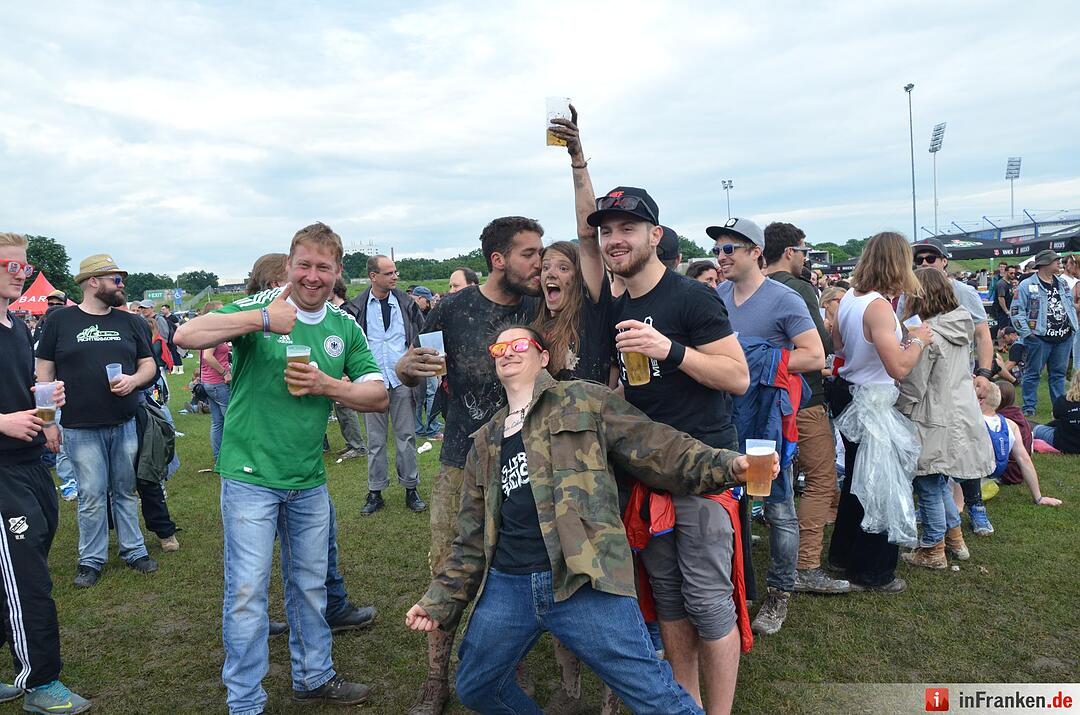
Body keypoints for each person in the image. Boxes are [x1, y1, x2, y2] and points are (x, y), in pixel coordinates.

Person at [406, 324, 777, 715]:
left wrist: (728, 464)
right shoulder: (485, 441)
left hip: (583, 577)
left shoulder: (584, 401)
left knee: (654, 696)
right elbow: (470, 536)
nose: (508, 352)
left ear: (543, 356)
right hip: (509, 583)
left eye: (520, 344)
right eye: (499, 347)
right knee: (476, 685)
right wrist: (440, 600)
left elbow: (661, 448)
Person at [174, 223, 388, 713]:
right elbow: (187, 335)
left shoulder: (343, 325)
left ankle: (313, 676)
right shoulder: (263, 308)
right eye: (304, 265)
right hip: (249, 478)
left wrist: (325, 386)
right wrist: (261, 322)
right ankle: (246, 700)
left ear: (338, 274)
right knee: (248, 592)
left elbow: (377, 394)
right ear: (291, 265)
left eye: (323, 267)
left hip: (308, 480)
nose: (312, 276)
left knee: (310, 587)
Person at [589, 185, 749, 714]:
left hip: (703, 471)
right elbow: (635, 388)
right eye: (606, 230)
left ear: (654, 236)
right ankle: (687, 704)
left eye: (626, 229)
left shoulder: (691, 296)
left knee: (708, 602)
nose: (615, 240)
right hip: (650, 473)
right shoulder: (620, 304)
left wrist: (670, 349)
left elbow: (737, 377)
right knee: (670, 600)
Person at [396, 216, 542, 715]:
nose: (538, 262)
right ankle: (436, 680)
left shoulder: (540, 306)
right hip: (462, 457)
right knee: (447, 565)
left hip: (526, 461)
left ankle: (506, 673)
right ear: (498, 260)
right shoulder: (454, 308)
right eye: (529, 253)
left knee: (514, 569)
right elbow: (418, 369)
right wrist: (407, 369)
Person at [715, 218, 830, 637]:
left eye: (730, 249)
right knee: (731, 504)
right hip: (727, 414)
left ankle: (780, 591)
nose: (722, 257)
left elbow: (815, 356)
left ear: (755, 253)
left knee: (777, 505)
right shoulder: (718, 295)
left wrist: (756, 362)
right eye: (718, 250)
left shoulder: (784, 299)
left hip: (767, 420)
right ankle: (737, 587)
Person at [0, 233, 90, 714]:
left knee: (21, 563)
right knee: (27, 576)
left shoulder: (16, 327)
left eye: (23, 265)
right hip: (1, 471)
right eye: (11, 265)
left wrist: (46, 404)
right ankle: (40, 681)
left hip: (32, 461)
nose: (22, 272)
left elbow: (21, 390)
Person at [36, 253, 159, 588]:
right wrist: (48, 421)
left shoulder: (130, 321)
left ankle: (134, 550)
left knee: (124, 489)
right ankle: (91, 559)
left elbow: (149, 364)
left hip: (124, 421)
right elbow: (44, 371)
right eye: (115, 280)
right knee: (90, 493)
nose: (121, 286)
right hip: (79, 426)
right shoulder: (60, 321)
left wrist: (134, 381)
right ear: (93, 282)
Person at [828, 232, 933, 593]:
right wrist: (919, 339)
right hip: (869, 402)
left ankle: (843, 553)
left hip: (851, 394)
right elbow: (899, 368)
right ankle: (873, 569)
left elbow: (841, 346)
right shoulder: (878, 307)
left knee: (859, 481)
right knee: (878, 484)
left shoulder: (850, 299)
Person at [762, 222, 849, 596]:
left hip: (760, 400)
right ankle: (806, 564)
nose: (804, 258)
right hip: (802, 399)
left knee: (767, 484)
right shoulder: (798, 288)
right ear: (790, 252)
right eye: (803, 251)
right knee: (820, 480)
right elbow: (821, 346)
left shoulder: (742, 290)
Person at [896, 268, 994, 568]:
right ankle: (955, 540)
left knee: (927, 482)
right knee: (940, 483)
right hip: (959, 411)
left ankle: (933, 549)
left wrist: (897, 401)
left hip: (932, 414)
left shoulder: (928, 335)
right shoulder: (960, 325)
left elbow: (915, 382)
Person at [346, 255, 427, 516]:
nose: (395, 276)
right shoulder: (356, 306)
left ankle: (411, 489)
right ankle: (375, 492)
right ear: (373, 276)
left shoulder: (407, 303)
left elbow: (422, 336)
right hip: (372, 383)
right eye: (389, 272)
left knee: (406, 437)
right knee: (375, 441)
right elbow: (349, 345)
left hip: (403, 381)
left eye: (395, 272)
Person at [902, 239, 995, 400]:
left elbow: (982, 335)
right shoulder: (908, 294)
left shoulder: (964, 292)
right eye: (919, 260)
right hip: (920, 375)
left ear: (944, 261)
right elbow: (906, 333)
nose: (924, 263)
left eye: (930, 258)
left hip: (958, 375)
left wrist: (984, 373)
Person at [1012, 249, 1078, 416]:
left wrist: (1073, 326)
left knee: (1058, 374)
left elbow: (1069, 305)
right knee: (1033, 373)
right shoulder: (1026, 285)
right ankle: (1029, 408)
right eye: (1055, 260)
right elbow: (1016, 310)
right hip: (1039, 338)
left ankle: (1059, 408)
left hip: (1064, 337)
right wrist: (1027, 333)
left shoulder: (1062, 283)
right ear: (1045, 264)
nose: (1059, 263)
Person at [981, 384, 1062, 507]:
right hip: (1005, 471)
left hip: (983, 474)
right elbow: (1024, 459)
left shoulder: (973, 422)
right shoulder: (1011, 423)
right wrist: (1038, 497)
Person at [327, 278, 368, 461]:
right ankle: (351, 443)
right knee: (340, 407)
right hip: (339, 363)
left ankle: (358, 446)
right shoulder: (337, 310)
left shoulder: (346, 311)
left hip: (346, 364)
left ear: (333, 290)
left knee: (345, 406)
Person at [198, 301, 231, 463]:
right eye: (221, 310)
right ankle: (229, 459)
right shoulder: (214, 333)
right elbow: (207, 356)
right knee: (230, 421)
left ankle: (220, 458)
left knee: (217, 422)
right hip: (218, 382)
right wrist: (225, 372)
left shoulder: (207, 331)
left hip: (208, 382)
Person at [1032, 368, 1080, 455]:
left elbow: (1055, 416)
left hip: (1064, 443)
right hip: (1067, 439)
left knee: (1037, 429)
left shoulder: (1064, 400)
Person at [992, 265, 1017, 339]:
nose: (1013, 275)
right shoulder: (1001, 284)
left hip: (1009, 308)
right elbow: (1001, 298)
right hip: (1002, 310)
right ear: (1006, 272)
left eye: (1014, 273)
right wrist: (1006, 311)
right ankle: (1000, 346)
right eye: (1011, 273)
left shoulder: (1010, 283)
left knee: (1007, 328)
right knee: (1002, 328)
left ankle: (1004, 344)